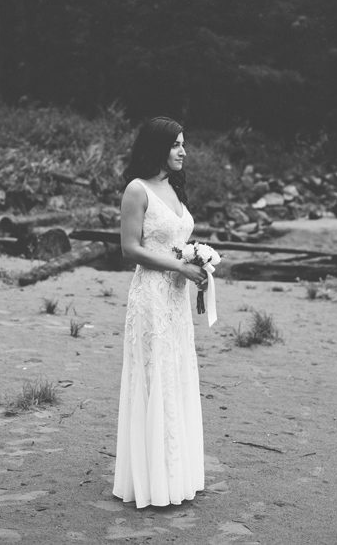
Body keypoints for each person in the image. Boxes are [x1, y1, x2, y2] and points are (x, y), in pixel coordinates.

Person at [113, 116, 207, 509]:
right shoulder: (137, 190)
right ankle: (150, 481)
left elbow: (175, 241)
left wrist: (197, 262)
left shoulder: (174, 188)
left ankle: (176, 475)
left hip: (176, 300)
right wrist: (178, 266)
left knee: (176, 374)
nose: (183, 151)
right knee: (153, 378)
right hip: (151, 298)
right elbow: (129, 249)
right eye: (175, 144)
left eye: (183, 143)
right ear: (157, 147)